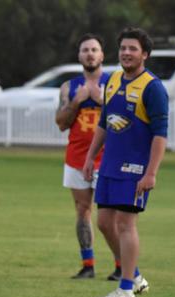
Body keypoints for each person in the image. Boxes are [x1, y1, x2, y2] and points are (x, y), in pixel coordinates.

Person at [83, 27, 168, 297]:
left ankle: (126, 289)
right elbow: (104, 123)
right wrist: (89, 157)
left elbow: (160, 134)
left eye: (133, 49)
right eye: (123, 48)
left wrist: (151, 172)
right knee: (105, 222)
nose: (127, 53)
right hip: (109, 165)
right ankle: (136, 275)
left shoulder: (153, 87)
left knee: (125, 223)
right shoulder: (114, 79)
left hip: (135, 169)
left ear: (144, 54)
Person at [55, 34, 120, 281]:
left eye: (94, 49)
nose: (90, 54)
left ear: (102, 55)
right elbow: (61, 123)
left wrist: (103, 101)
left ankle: (120, 266)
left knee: (108, 215)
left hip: (107, 158)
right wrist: (76, 102)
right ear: (79, 56)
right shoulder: (69, 87)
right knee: (82, 211)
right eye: (85, 50)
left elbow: (125, 122)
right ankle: (88, 265)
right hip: (76, 158)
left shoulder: (115, 84)